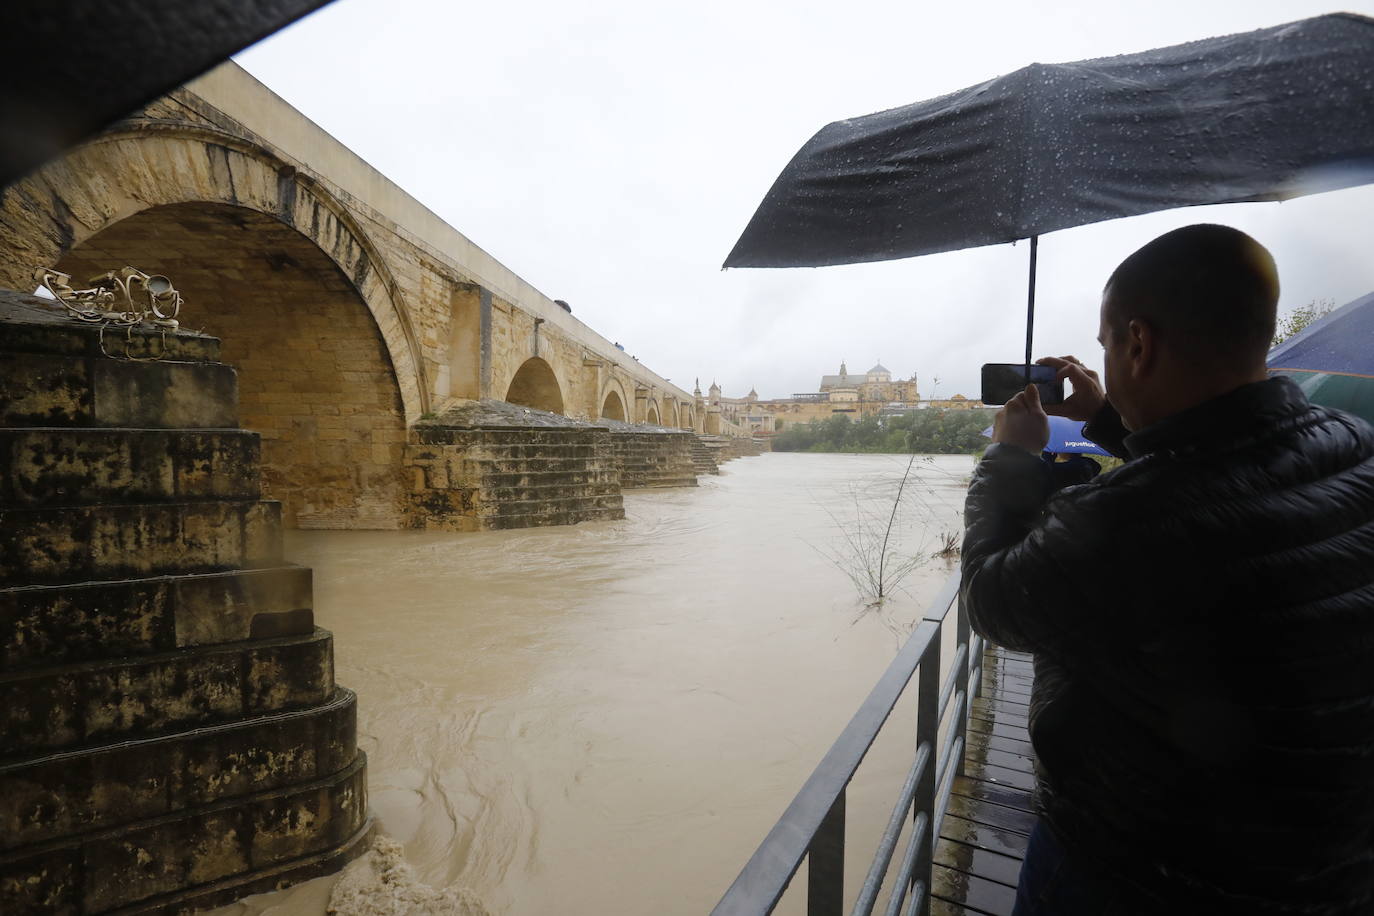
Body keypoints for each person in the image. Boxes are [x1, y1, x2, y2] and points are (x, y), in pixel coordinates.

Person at [962, 224, 1374, 915]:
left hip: (1139, 864)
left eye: (1106, 344)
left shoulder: (1123, 522)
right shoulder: (1353, 445)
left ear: (1138, 343)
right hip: (1324, 859)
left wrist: (1008, 458)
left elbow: (992, 600)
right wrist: (1107, 417)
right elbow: (1219, 466)